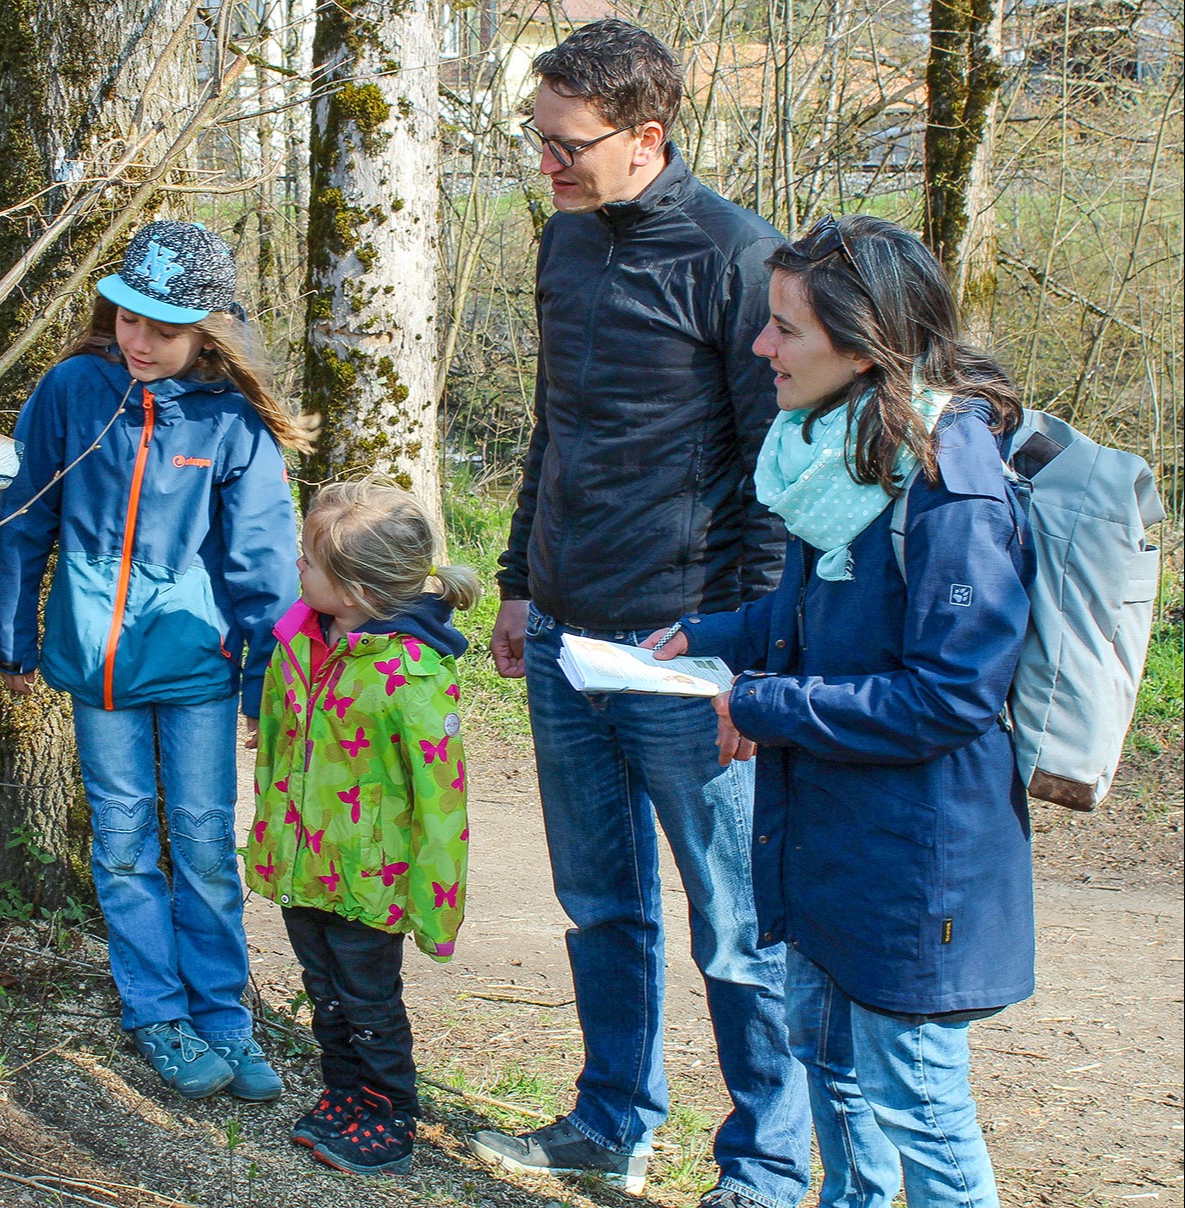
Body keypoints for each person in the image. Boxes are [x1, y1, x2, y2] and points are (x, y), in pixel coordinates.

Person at [472, 19, 811, 1208]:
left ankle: (765, 1164)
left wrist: (747, 665)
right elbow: (553, 427)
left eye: (565, 144)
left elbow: (778, 480)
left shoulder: (737, 259)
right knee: (600, 901)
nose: (547, 163)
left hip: (688, 644)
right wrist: (519, 580)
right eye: (538, 139)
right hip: (567, 630)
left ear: (647, 137)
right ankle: (611, 1119)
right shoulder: (563, 242)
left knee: (735, 924)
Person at [647, 215, 1033, 1208]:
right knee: (834, 1074)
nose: (760, 346)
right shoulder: (843, 449)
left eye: (785, 329)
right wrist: (713, 633)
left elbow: (949, 695)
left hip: (915, 867)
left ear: (864, 347)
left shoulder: (951, 483)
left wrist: (764, 701)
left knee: (920, 1111)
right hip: (829, 845)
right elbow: (823, 610)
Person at [0, 220, 312, 1103]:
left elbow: (263, 569)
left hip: (197, 668)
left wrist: (259, 682)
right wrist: (10, 638)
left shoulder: (232, 421)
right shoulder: (70, 390)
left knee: (204, 845)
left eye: (164, 331)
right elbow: (26, 518)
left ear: (207, 330)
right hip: (95, 669)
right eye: (131, 320)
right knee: (125, 844)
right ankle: (155, 1011)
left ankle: (225, 1016)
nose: (140, 342)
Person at [242, 480, 476, 1177]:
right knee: (324, 992)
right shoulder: (297, 645)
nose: (296, 571)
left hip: (370, 880)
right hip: (303, 866)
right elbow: (277, 751)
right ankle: (344, 1095)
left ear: (354, 588)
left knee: (369, 1001)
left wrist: (437, 905)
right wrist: (269, 842)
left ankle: (389, 1115)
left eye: (308, 563)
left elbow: (442, 803)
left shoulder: (411, 674)